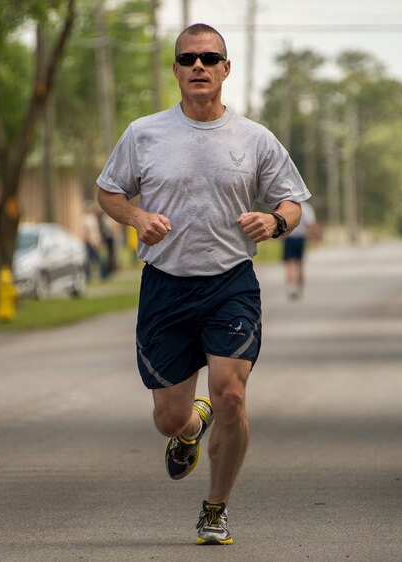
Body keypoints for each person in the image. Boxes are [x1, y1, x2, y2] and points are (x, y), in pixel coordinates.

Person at [96, 23, 310, 546]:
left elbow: (292, 202)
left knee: (232, 396)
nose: (199, 66)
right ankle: (192, 426)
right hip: (165, 285)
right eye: (188, 58)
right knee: (168, 418)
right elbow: (108, 192)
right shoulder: (144, 133)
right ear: (174, 69)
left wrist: (275, 223)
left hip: (229, 283)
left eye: (210, 58)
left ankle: (215, 508)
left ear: (225, 69)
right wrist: (136, 217)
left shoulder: (254, 138)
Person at [282, 200, 319, 300]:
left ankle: (290, 287)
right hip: (300, 238)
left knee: (290, 263)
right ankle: (300, 287)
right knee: (300, 264)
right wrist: (314, 238)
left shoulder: (286, 206)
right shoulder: (306, 207)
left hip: (289, 238)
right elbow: (311, 224)